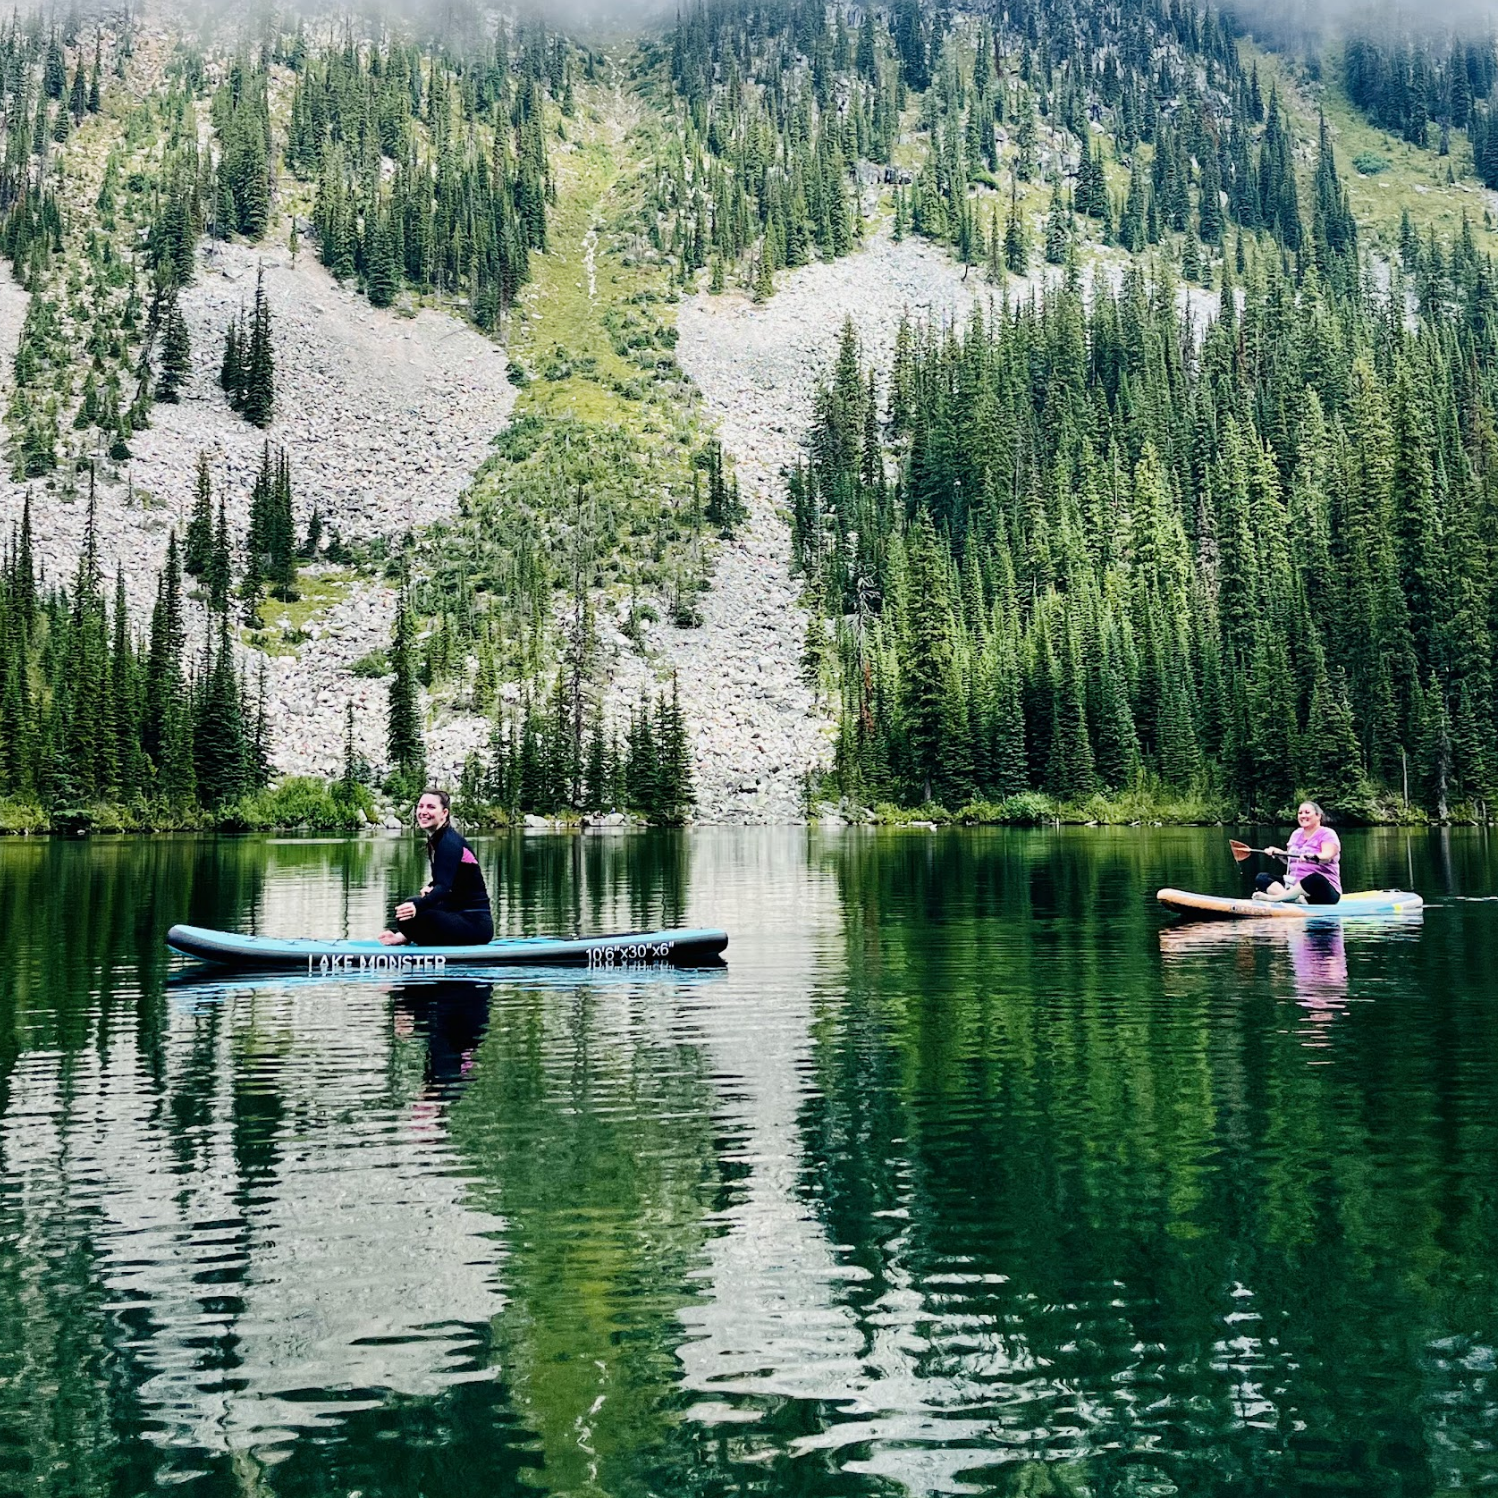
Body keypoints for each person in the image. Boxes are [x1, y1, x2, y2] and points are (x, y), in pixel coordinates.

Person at [378, 789, 494, 946]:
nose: (423, 812)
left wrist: (419, 905)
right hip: (458, 914)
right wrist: (431, 889)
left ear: (444, 813)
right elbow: (450, 882)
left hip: (475, 924)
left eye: (431, 807)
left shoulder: (449, 843)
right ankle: (403, 936)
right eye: (421, 806)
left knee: (412, 913)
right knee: (408, 909)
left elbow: (444, 887)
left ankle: (406, 936)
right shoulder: (438, 840)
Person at [1252, 800, 1342, 906]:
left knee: (1314, 879)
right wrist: (1279, 853)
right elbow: (1289, 860)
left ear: (1318, 816)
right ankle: (1292, 899)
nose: (1303, 816)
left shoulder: (1327, 833)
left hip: (1322, 891)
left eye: (1307, 812)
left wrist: (1313, 856)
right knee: (1262, 877)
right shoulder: (1296, 834)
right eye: (1300, 813)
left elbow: (1328, 855)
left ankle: (1276, 899)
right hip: (1295, 889)